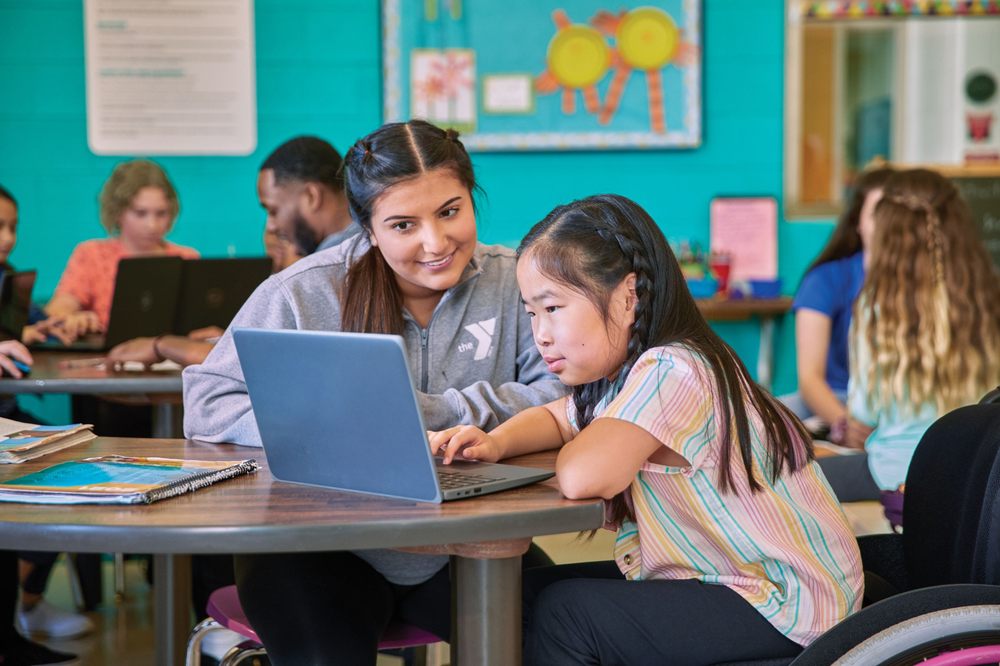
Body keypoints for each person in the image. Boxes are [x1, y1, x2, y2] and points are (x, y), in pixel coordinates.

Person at [183, 119, 564, 662]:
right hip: (318, 547)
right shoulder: (303, 290)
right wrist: (325, 423)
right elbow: (207, 403)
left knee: (566, 641)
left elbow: (561, 390)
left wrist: (435, 412)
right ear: (367, 227)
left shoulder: (516, 280)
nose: (435, 242)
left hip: (468, 543)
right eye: (403, 225)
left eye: (451, 211)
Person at [431, 194, 864, 664]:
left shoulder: (673, 368)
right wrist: (495, 442)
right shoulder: (625, 375)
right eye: (532, 313)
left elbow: (584, 476)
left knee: (566, 614)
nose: (541, 334)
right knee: (521, 595)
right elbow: (558, 417)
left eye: (553, 308)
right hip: (728, 576)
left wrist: (575, 444)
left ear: (627, 295)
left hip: (784, 601)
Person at [105, 136, 347, 370]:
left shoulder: (326, 271)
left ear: (312, 197)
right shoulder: (352, 251)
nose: (272, 227)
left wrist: (161, 345)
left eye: (273, 210)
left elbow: (260, 361)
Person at [848, 168, 1000, 496]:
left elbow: (863, 411)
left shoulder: (874, 309)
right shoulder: (989, 301)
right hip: (978, 476)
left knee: (794, 477)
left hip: (893, 474)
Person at [0, 185, 94, 641]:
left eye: (12, 226)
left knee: (74, 458)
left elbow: (37, 321)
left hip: (8, 413)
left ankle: (27, 603)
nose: (7, 238)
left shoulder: (7, 276)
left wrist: (49, 326)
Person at [786, 166, 894, 445]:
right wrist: (845, 424)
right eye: (878, 214)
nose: (889, 225)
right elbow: (810, 380)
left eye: (897, 216)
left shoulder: (928, 282)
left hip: (898, 407)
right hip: (836, 402)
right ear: (858, 222)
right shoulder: (825, 279)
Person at [42, 159, 199, 342]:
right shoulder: (92, 254)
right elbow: (59, 308)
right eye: (140, 213)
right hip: (108, 362)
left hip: (173, 363)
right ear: (117, 211)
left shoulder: (187, 257)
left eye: (161, 213)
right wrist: (72, 318)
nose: (152, 225)